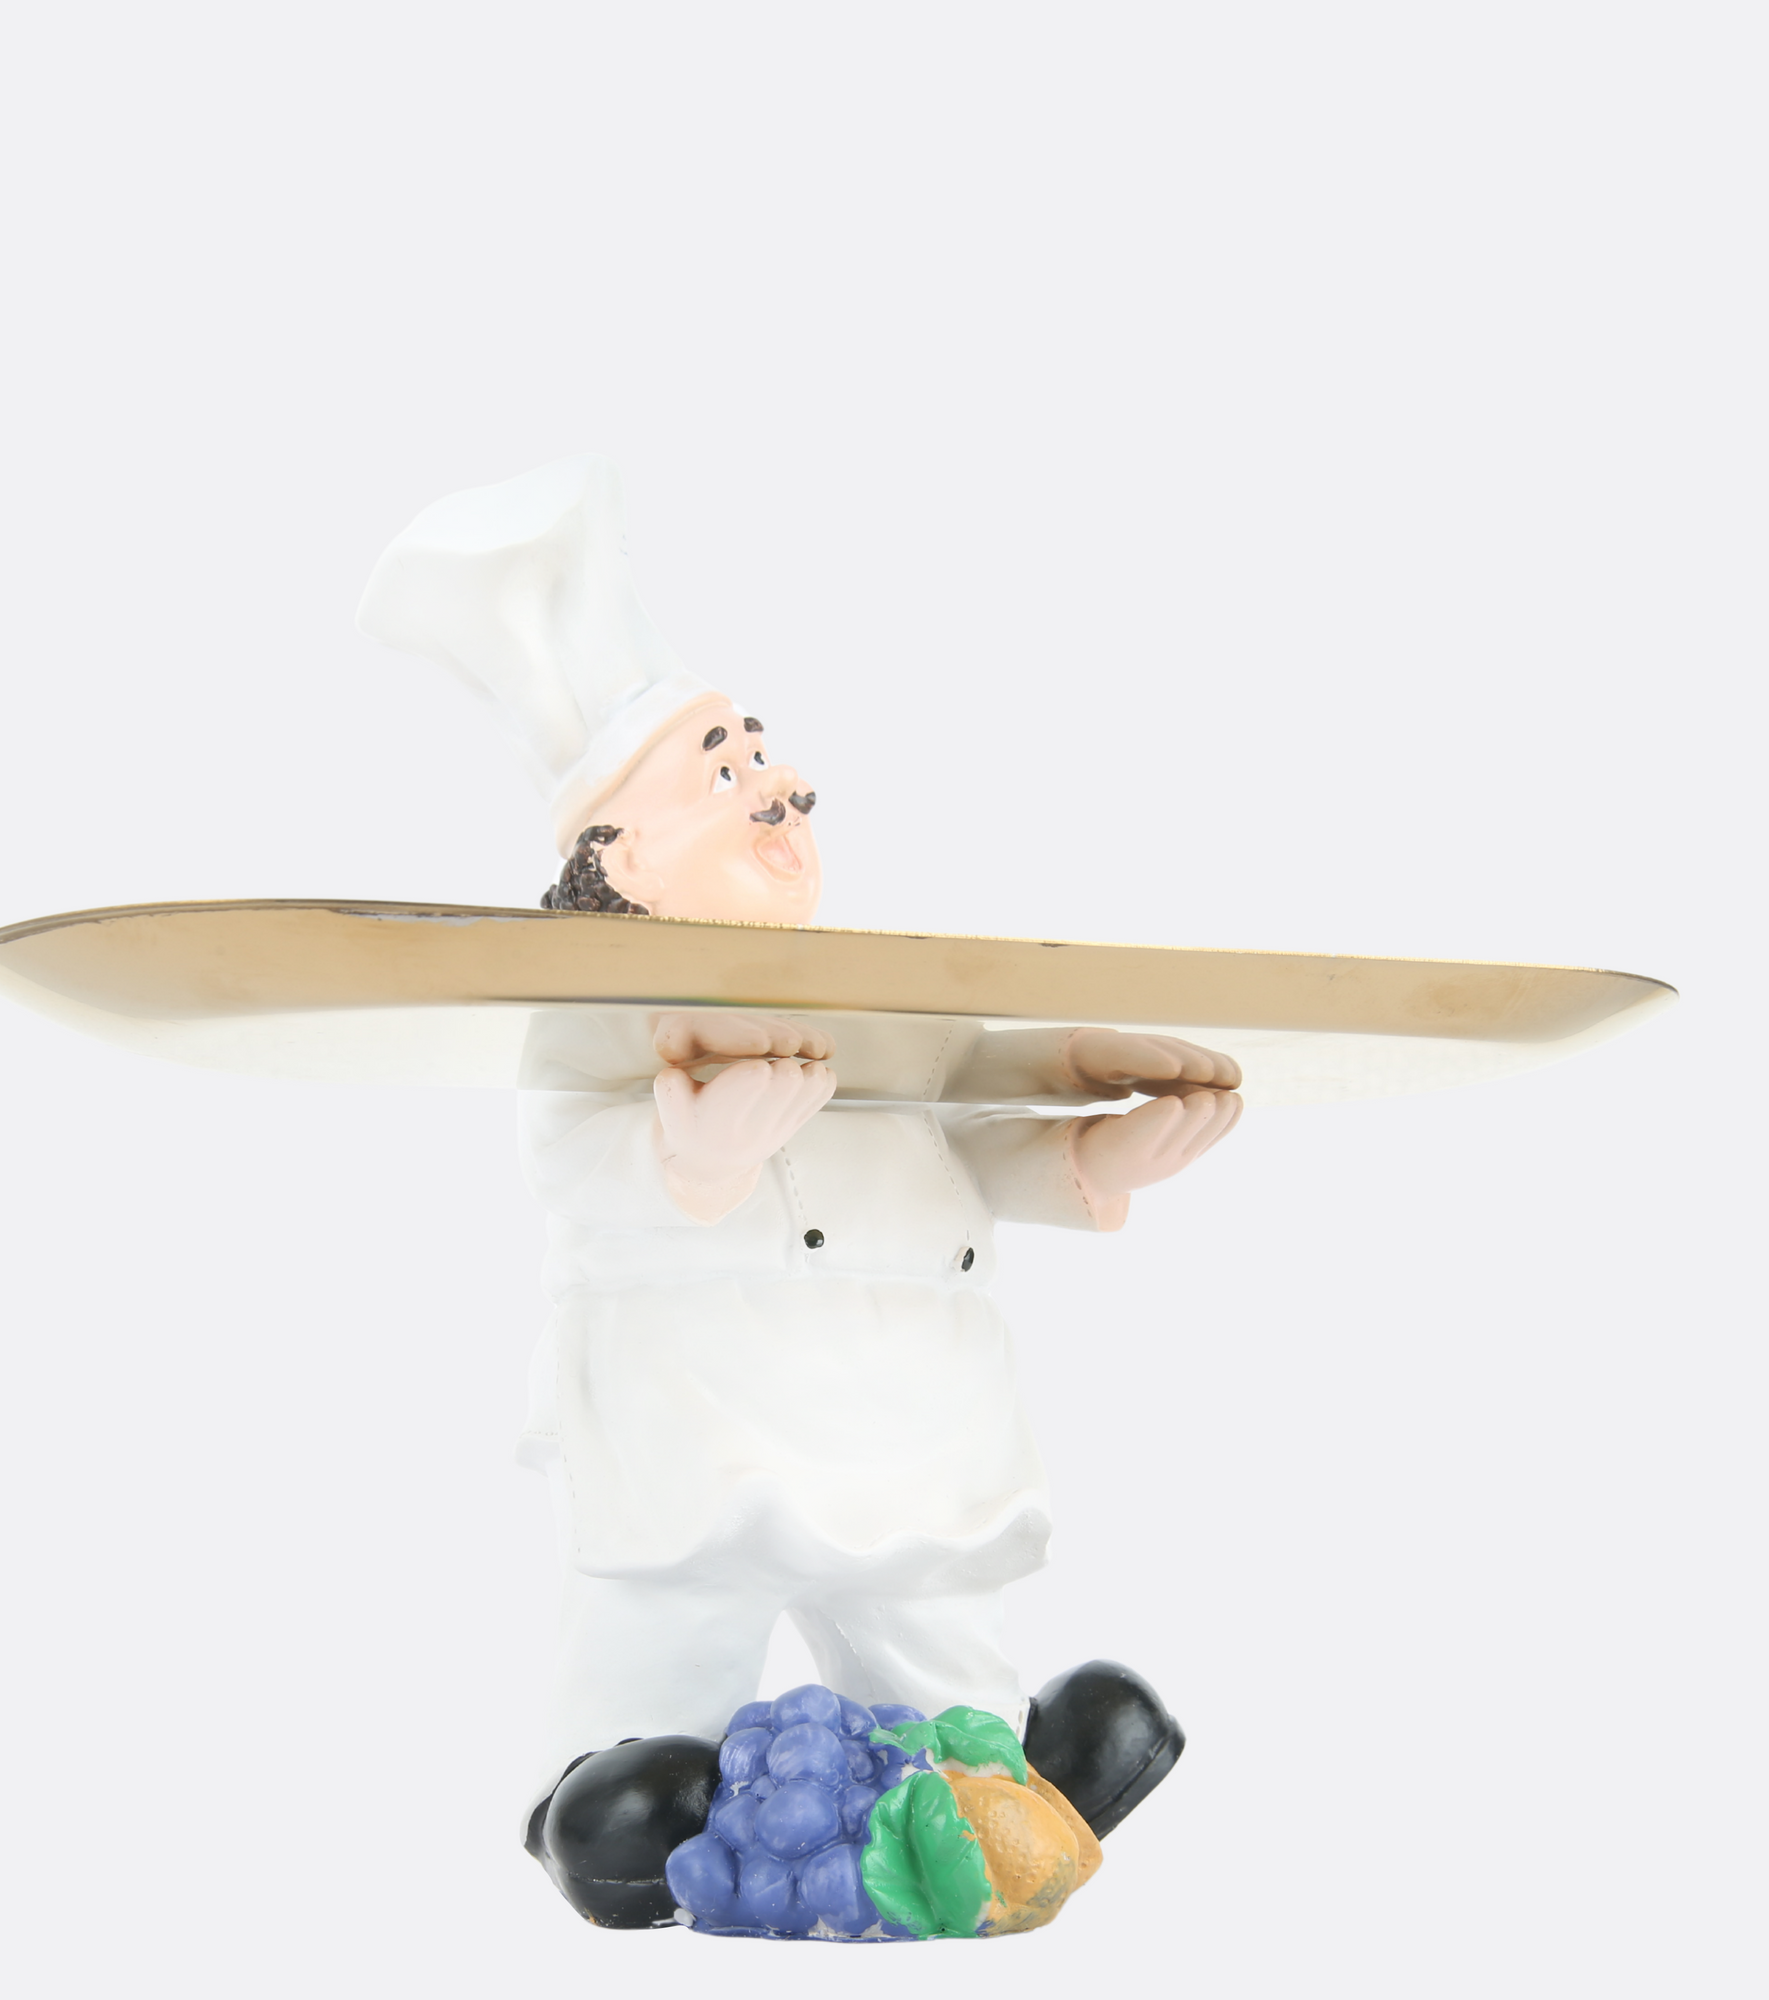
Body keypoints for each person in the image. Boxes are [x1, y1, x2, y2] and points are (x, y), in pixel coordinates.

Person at [358, 458, 1242, 1925]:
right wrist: (692, 1161)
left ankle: (999, 1780)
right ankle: (624, 1809)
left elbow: (954, 1134)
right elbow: (578, 1166)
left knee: (933, 1621)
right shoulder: (591, 1014)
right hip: (698, 1410)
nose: (780, 787)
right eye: (724, 772)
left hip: (907, 1405)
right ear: (623, 852)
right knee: (660, 1641)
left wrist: (1090, 1159)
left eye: (766, 759)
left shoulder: (889, 990)